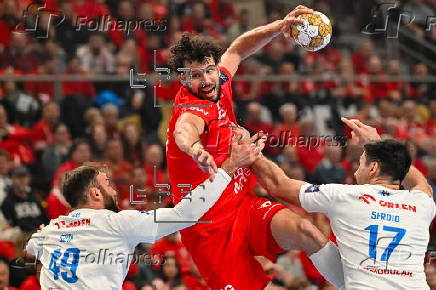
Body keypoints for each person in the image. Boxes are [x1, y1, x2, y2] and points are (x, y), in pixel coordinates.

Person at [166, 5, 344, 290]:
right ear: (183, 79)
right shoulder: (191, 108)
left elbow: (237, 49)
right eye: (196, 75)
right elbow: (183, 131)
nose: (208, 80)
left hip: (242, 206)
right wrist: (194, 149)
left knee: (306, 230)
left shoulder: (219, 83)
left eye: (210, 70)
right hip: (208, 230)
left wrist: (277, 27)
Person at [24, 141, 263, 289]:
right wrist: (228, 168)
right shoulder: (117, 223)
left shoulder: (52, 229)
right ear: (95, 193)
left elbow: (30, 250)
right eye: (108, 185)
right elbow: (185, 214)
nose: (114, 190)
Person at [250, 117, 434, 289]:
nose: (355, 171)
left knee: (307, 232)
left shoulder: (344, 195)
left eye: (360, 163)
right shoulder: (421, 203)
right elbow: (421, 183)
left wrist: (249, 151)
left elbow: (278, 185)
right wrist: (380, 147)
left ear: (373, 168)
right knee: (308, 233)